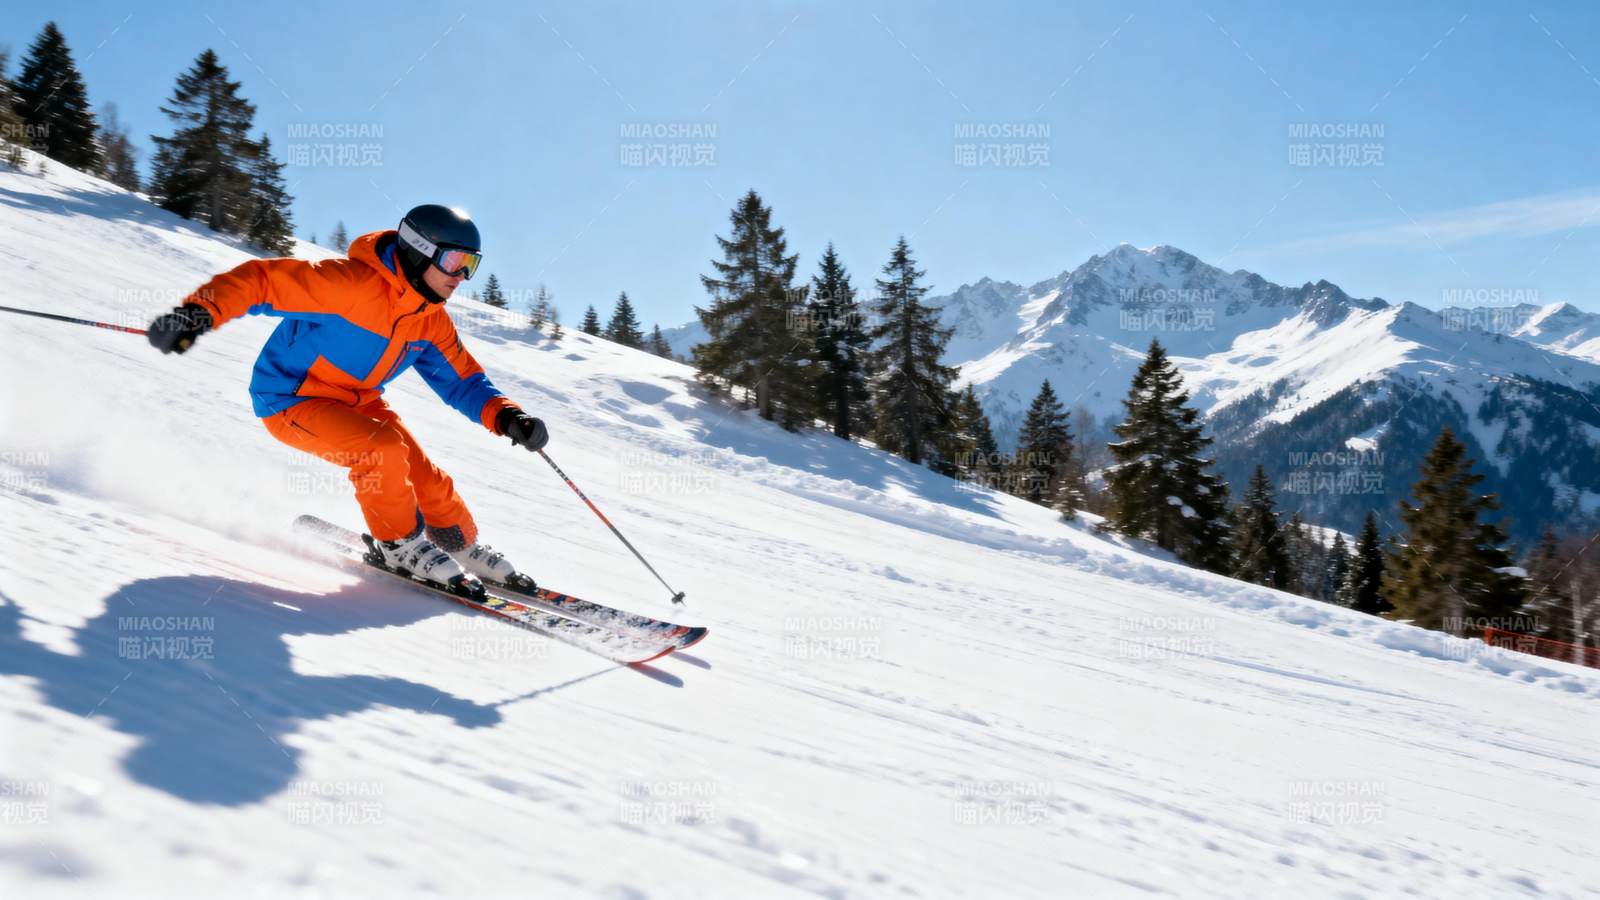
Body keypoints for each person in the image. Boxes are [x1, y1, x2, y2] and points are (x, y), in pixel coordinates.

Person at [146, 204, 548, 590]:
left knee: (425, 476)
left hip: (359, 401)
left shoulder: (431, 321)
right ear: (420, 250)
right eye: (454, 261)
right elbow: (261, 281)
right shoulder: (348, 284)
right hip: (291, 398)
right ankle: (398, 544)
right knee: (381, 450)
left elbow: (463, 382)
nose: (461, 275)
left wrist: (507, 417)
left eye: (471, 265)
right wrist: (197, 314)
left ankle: (461, 545)